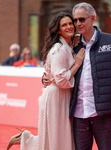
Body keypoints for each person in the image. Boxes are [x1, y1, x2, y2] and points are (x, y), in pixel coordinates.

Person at [43, 2, 111, 150]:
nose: (77, 23)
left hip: (104, 113)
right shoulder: (73, 45)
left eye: (81, 19)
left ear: (93, 18)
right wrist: (45, 78)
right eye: (75, 20)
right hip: (78, 115)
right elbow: (57, 65)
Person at [6, 12, 85, 150]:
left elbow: (52, 72)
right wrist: (77, 63)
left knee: (54, 140)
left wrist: (78, 37)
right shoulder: (59, 49)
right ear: (58, 29)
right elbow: (60, 79)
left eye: (70, 24)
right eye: (64, 25)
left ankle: (25, 138)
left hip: (61, 96)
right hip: (56, 96)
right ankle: (26, 138)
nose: (69, 27)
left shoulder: (67, 45)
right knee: (54, 141)